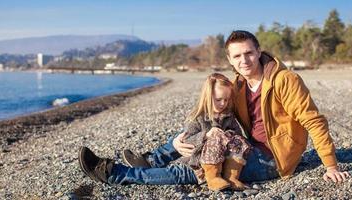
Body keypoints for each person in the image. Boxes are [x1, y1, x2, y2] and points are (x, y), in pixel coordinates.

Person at [122, 30, 350, 183]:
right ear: (230, 60)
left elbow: (314, 121)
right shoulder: (237, 85)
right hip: (246, 145)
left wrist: (331, 166)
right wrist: (180, 141)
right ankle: (152, 159)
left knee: (195, 168)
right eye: (238, 56)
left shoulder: (284, 80)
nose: (245, 60)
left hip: (273, 159)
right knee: (200, 131)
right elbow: (212, 116)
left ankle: (121, 175)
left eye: (249, 53)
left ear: (259, 52)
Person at [78, 73, 251, 190]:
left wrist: (229, 137)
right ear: (207, 97)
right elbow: (187, 140)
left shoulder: (229, 117)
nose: (222, 104)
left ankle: (138, 165)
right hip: (195, 164)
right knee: (163, 175)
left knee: (163, 174)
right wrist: (206, 135)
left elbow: (238, 140)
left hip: (220, 169)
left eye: (226, 100)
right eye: (218, 99)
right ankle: (113, 172)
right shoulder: (198, 117)